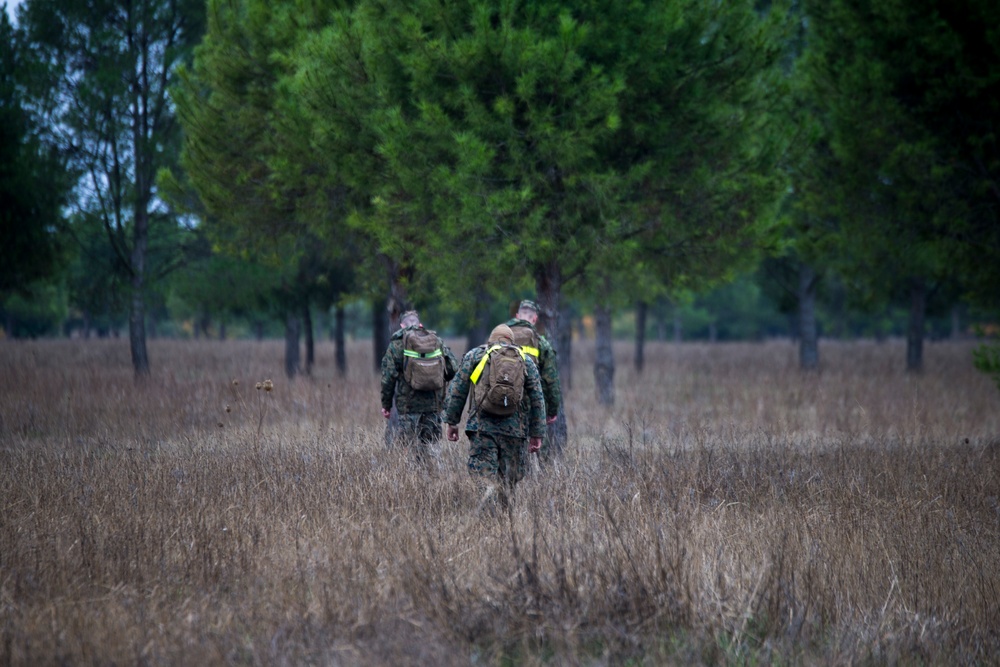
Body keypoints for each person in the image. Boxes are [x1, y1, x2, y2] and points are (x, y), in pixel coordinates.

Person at [444, 324, 546, 511]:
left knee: (484, 478)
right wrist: (537, 433)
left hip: (482, 428)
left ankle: (488, 517)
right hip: (515, 432)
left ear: (491, 340)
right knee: (509, 481)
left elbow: (458, 390)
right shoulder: (525, 360)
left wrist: (452, 422)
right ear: (511, 341)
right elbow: (538, 398)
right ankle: (505, 519)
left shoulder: (476, 356)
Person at [380, 309, 459, 466]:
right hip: (433, 407)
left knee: (409, 449)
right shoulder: (435, 341)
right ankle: (433, 481)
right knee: (431, 448)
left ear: (402, 325)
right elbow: (453, 368)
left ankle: (413, 483)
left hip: (408, 407)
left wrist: (386, 405)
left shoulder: (396, 345)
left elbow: (388, 378)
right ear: (420, 324)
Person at [506, 299, 562, 460]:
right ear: (535, 319)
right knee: (536, 450)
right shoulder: (541, 343)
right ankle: (536, 480)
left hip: (503, 399)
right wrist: (552, 410)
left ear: (517, 316)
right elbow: (551, 380)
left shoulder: (500, 338)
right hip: (532, 404)